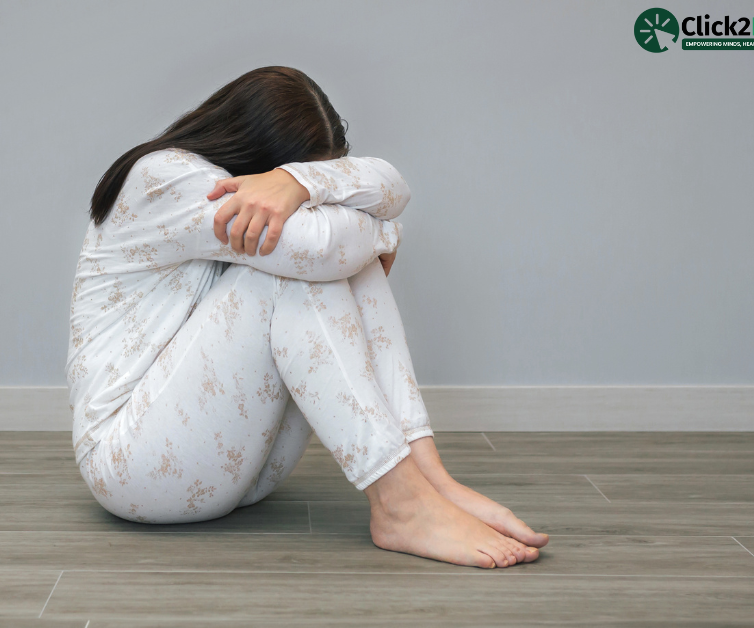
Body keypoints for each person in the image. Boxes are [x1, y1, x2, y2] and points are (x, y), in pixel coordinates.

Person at [66, 66, 549, 568]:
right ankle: (402, 504)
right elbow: (320, 247)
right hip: (133, 468)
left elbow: (392, 186)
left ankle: (429, 479)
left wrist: (299, 182)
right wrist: (385, 236)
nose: (303, 197)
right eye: (292, 178)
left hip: (244, 468)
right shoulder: (162, 178)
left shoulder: (270, 180)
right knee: (303, 267)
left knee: (342, 263)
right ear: (253, 153)